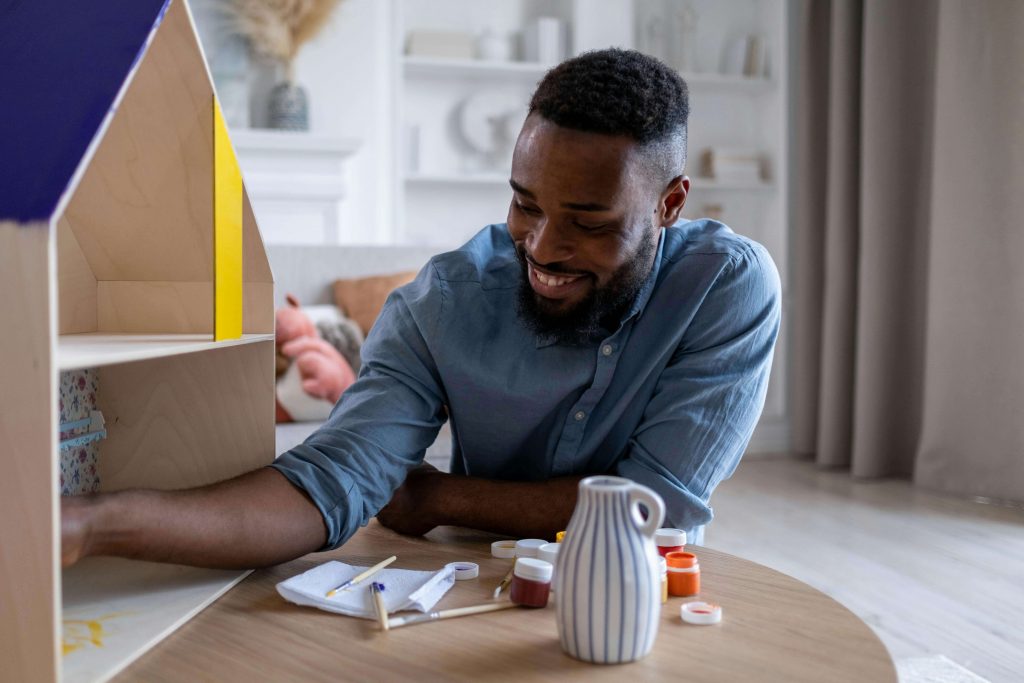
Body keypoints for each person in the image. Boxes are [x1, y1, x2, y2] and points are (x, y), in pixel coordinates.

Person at [61, 48, 780, 570]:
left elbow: (655, 505)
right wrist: (91, 524)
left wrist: (443, 498)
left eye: (588, 222)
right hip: (469, 583)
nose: (543, 246)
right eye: (525, 205)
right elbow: (331, 481)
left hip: (640, 591)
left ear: (669, 203)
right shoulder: (443, 303)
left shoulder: (727, 287)